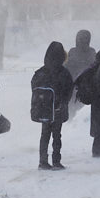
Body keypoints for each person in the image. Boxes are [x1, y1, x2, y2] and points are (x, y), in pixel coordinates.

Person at [30, 41, 74, 170]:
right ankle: (56, 161)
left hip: (43, 109)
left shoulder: (40, 72)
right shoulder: (64, 72)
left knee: (44, 135)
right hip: (57, 109)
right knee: (56, 135)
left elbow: (34, 88)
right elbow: (69, 90)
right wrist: (63, 102)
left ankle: (43, 161)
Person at [64, 29, 97, 110]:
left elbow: (66, 68)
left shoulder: (72, 52)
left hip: (73, 85)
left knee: (72, 108)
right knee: (84, 109)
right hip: (87, 87)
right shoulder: (92, 52)